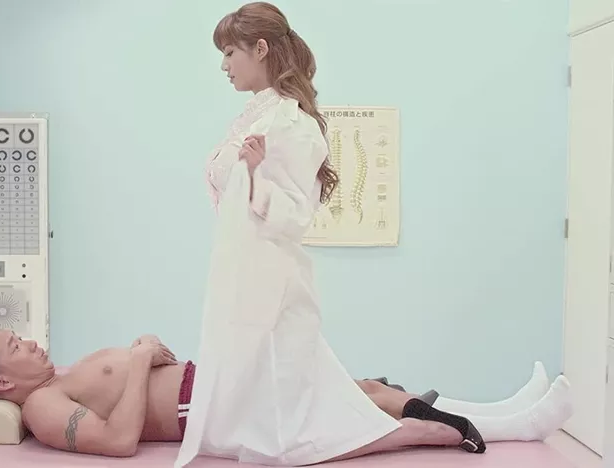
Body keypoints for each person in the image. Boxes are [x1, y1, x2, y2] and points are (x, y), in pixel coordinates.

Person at [172, 2, 574, 466]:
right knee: (343, 400)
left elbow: (295, 216)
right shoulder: (258, 117)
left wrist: (253, 178)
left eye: (229, 52)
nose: (223, 65)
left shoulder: (290, 122)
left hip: (272, 288)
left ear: (260, 49)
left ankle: (514, 421)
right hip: (253, 282)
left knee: (329, 412)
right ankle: (512, 418)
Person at [0, 307, 572, 463]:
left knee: (361, 386)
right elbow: (118, 440)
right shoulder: (45, 406)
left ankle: (504, 411)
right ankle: (514, 425)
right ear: (2, 380)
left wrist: (146, 352)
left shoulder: (56, 381)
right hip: (213, 406)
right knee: (359, 398)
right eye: (15, 347)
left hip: (214, 384)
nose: (31, 343)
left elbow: (129, 389)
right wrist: (137, 361)